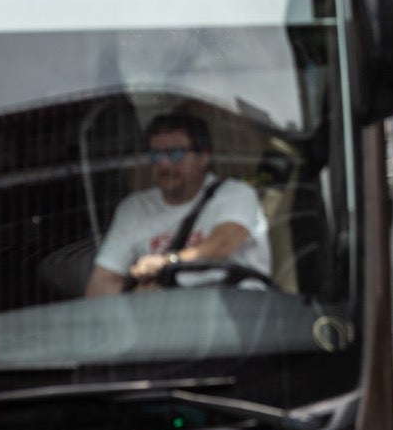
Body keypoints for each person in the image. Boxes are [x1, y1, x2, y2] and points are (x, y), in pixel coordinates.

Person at [85, 113, 271, 296]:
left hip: (237, 311)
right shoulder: (134, 209)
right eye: (156, 156)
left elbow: (222, 245)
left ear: (203, 158)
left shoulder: (235, 193)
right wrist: (138, 295)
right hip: (170, 318)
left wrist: (166, 262)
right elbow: (98, 287)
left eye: (176, 154)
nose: (165, 165)